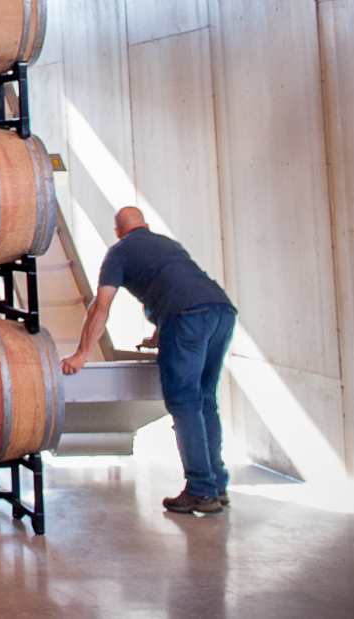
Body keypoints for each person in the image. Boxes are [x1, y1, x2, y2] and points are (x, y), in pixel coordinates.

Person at [61, 205, 237, 516]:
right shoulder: (167, 244)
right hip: (221, 310)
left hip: (186, 317)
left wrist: (81, 355)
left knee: (184, 402)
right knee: (205, 399)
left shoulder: (119, 252)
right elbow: (179, 285)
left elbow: (101, 306)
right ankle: (216, 485)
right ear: (145, 224)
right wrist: (160, 335)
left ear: (117, 230)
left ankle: (200, 490)